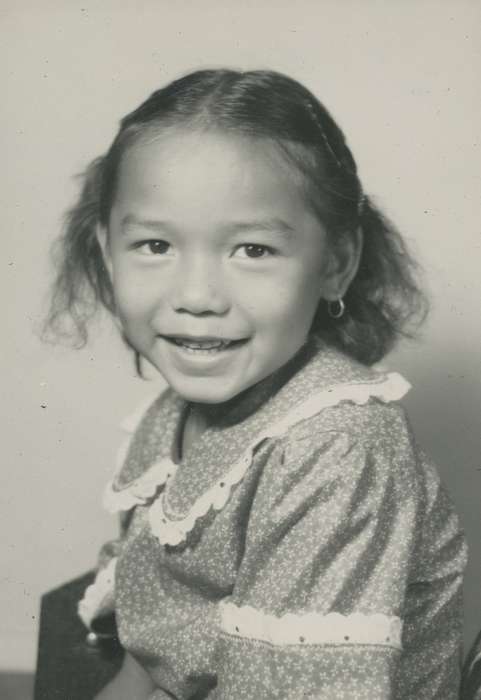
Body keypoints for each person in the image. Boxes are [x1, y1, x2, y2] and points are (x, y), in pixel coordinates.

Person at [44, 69, 467, 699]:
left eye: (253, 250)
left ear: (335, 264)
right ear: (107, 254)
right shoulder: (172, 413)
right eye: (155, 244)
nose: (196, 297)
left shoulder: (340, 445)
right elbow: (150, 643)